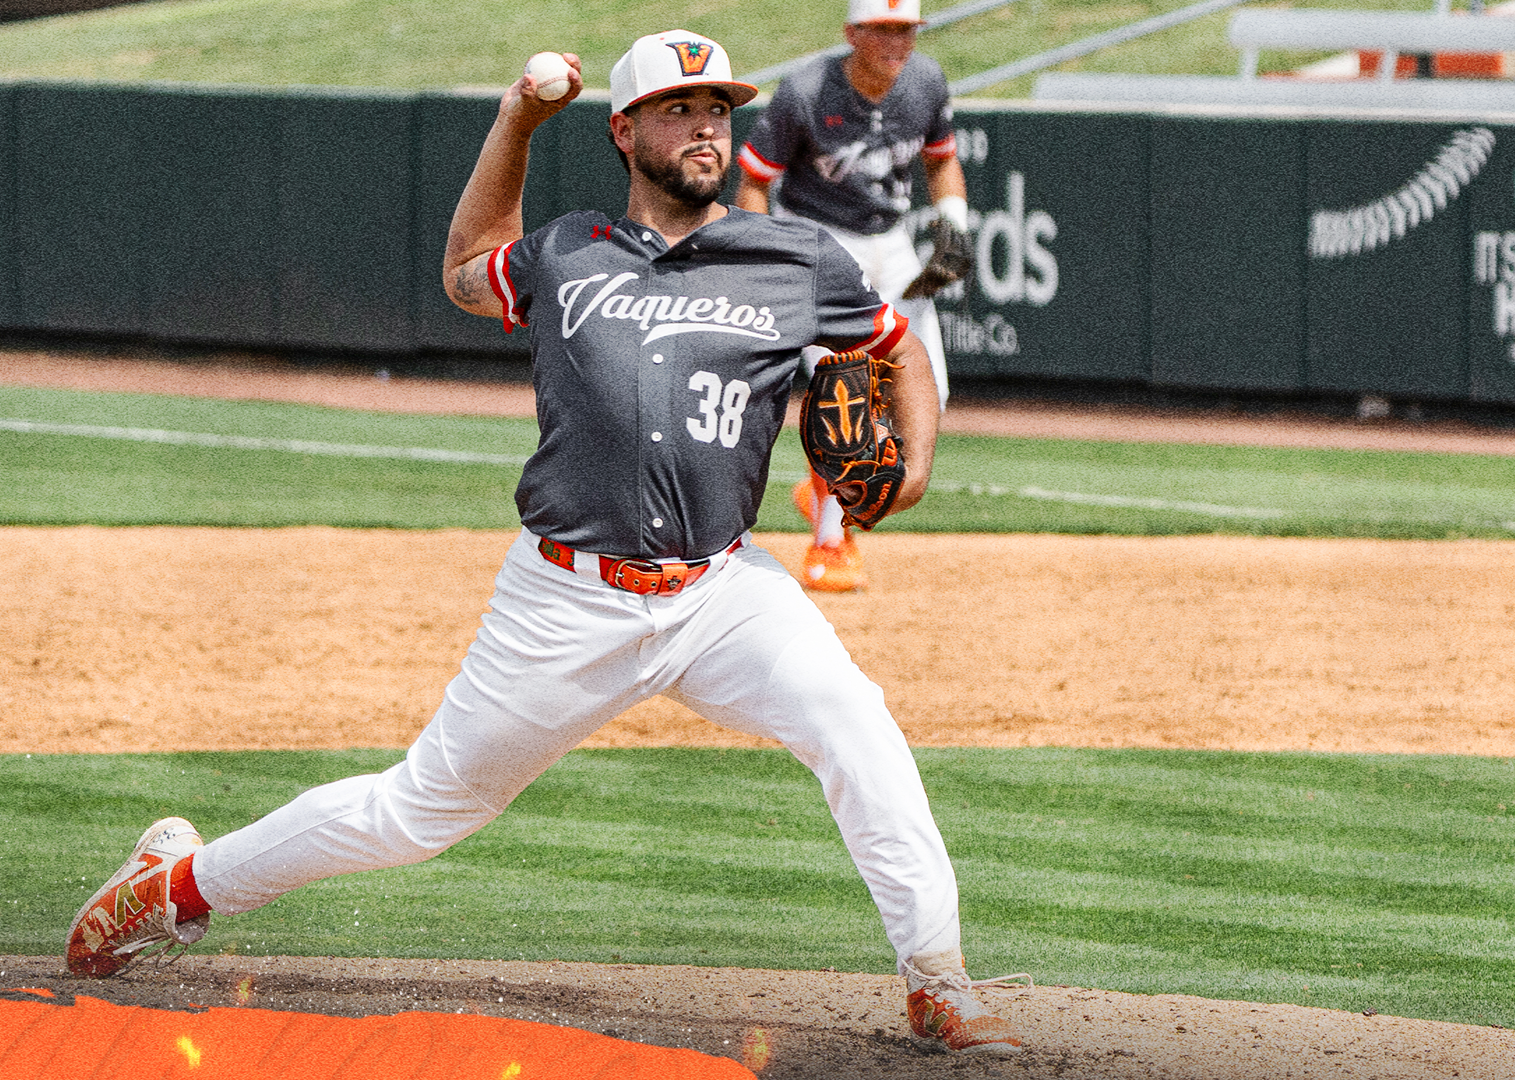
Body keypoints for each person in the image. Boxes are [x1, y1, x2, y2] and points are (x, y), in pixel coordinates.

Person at [64, 29, 1027, 1057]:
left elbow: (896, 350)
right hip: (567, 597)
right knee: (418, 812)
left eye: (718, 109)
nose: (707, 125)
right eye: (678, 108)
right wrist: (516, 123)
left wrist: (914, 463)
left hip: (723, 592)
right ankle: (177, 888)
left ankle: (938, 981)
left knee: (856, 723)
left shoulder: (791, 257)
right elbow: (466, 274)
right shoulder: (571, 251)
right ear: (623, 131)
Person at [736, 0, 967, 592]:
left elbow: (943, 163)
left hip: (890, 241)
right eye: (884, 29)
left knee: (925, 391)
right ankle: (831, 543)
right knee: (842, 391)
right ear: (852, 33)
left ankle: (825, 495)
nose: (898, 40)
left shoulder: (926, 80)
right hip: (818, 241)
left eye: (906, 28)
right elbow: (755, 182)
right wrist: (770, 256)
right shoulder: (807, 91)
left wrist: (953, 224)